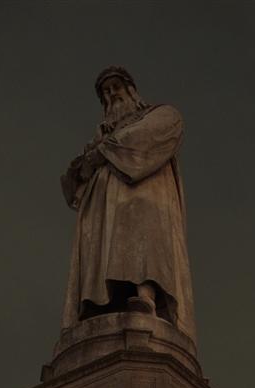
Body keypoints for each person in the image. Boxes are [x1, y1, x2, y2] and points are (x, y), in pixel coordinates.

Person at [61, 67, 195, 338]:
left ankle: (145, 297)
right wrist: (89, 159)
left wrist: (105, 150)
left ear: (131, 90)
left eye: (115, 88)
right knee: (102, 249)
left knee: (143, 243)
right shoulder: (96, 140)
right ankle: (98, 304)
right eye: (105, 93)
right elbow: (73, 182)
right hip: (102, 207)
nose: (111, 95)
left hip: (144, 194)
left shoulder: (160, 114)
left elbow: (153, 134)